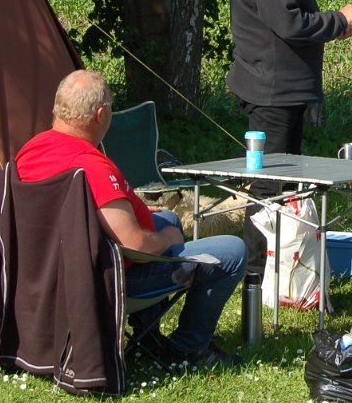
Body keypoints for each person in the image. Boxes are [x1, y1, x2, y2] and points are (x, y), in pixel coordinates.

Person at [15, 70, 246, 368]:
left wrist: (137, 213)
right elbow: (134, 244)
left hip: (48, 275)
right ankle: (188, 349)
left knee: (167, 218)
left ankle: (147, 337)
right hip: (104, 281)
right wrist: (168, 240)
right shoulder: (91, 167)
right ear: (101, 114)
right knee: (232, 251)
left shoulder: (29, 153)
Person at [226, 0, 352, 276]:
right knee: (270, 189)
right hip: (272, 93)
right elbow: (290, 23)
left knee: (283, 186)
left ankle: (279, 267)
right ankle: (255, 273)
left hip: (281, 90)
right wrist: (337, 21)